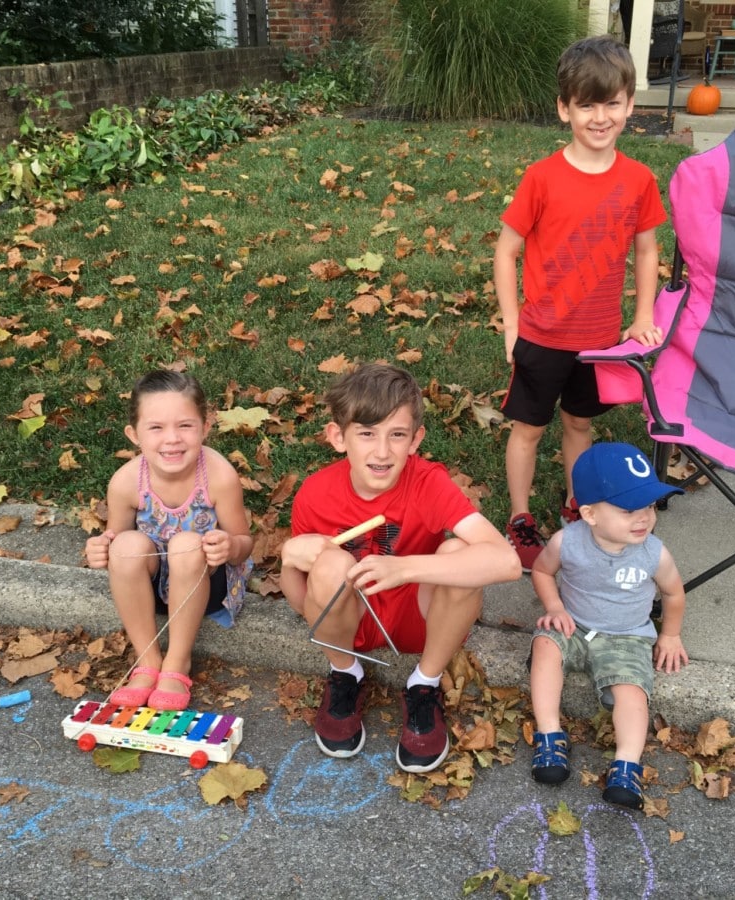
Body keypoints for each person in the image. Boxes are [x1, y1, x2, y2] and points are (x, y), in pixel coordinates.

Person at [279, 363, 521, 773]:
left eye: (397, 435)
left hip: (419, 618)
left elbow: (507, 561)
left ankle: (424, 684)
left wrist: (404, 568)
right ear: (338, 437)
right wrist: (288, 557)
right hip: (350, 623)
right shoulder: (316, 493)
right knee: (329, 564)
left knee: (459, 552)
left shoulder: (427, 482)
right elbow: (301, 597)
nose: (382, 451)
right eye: (366, 433)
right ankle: (344, 675)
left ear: (415, 440)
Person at [494, 34, 668, 570]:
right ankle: (520, 518)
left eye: (612, 103)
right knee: (528, 429)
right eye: (586, 104)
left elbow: (646, 249)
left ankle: (578, 507)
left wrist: (641, 316)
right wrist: (512, 325)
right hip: (542, 336)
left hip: (597, 341)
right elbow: (507, 252)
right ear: (564, 109)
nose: (600, 116)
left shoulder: (638, 180)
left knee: (578, 426)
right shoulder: (542, 178)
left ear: (630, 105)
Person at [528, 442, 687, 809]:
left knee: (632, 691)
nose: (644, 517)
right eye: (629, 509)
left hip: (627, 636)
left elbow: (674, 594)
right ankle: (549, 735)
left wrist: (671, 634)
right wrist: (554, 606)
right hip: (574, 624)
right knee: (544, 646)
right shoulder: (567, 542)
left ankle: (626, 763)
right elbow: (541, 570)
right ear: (589, 513)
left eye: (649, 505)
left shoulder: (653, 552)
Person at [85, 370, 254, 712]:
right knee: (127, 547)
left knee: (186, 544)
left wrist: (230, 546)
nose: (172, 439)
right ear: (134, 434)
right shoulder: (125, 482)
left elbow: (244, 543)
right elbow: (116, 539)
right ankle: (147, 661)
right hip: (150, 594)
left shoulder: (219, 476)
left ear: (205, 427)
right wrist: (100, 547)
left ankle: (177, 663)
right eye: (156, 427)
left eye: (185, 426)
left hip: (203, 585)